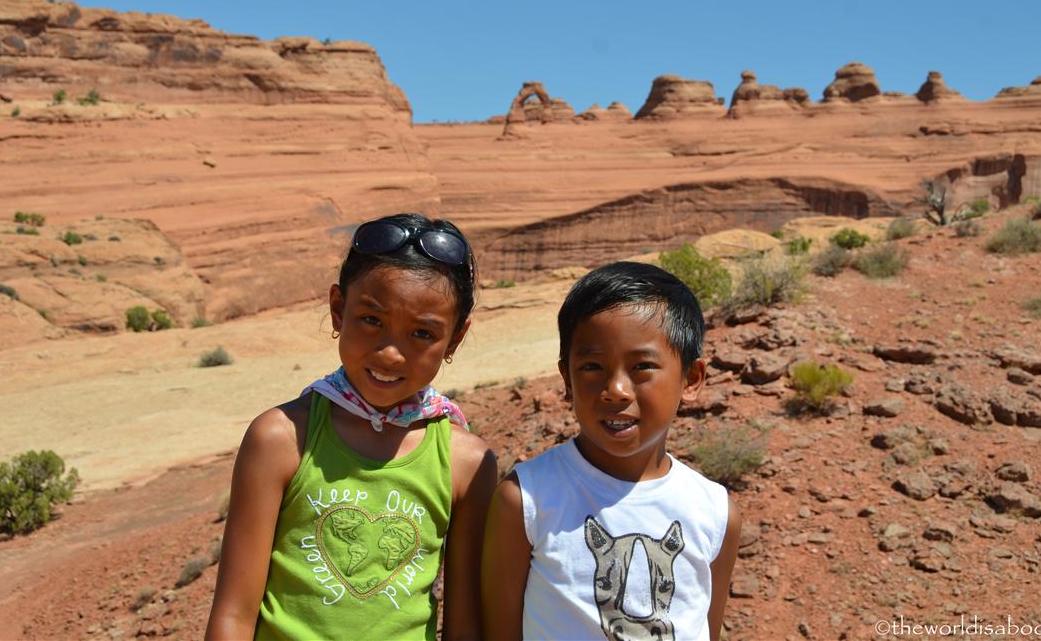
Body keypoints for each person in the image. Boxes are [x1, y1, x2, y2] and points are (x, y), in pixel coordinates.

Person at [206, 214, 497, 641]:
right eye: (372, 321)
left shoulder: (466, 463)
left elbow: (465, 624)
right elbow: (233, 614)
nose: (391, 353)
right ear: (338, 310)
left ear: (453, 340)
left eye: (422, 333)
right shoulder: (283, 438)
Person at [482, 261, 742, 641]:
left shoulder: (715, 512)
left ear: (691, 379)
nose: (615, 390)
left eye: (641, 367)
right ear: (566, 379)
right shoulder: (526, 500)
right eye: (591, 366)